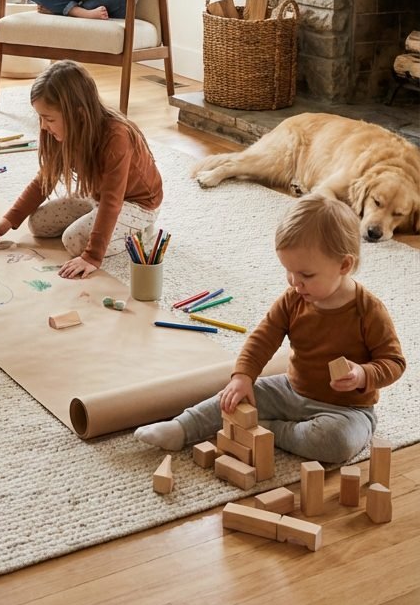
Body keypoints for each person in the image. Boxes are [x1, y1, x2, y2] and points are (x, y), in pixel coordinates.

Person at [135, 193, 406, 465]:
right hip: (291, 389)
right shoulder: (294, 298)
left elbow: (394, 362)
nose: (295, 283)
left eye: (306, 275)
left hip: (347, 410)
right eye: (289, 272)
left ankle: (268, 429)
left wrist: (362, 374)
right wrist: (242, 376)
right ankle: (182, 428)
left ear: (344, 265)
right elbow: (263, 337)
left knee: (336, 443)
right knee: (231, 396)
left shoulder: (368, 310)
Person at [0, 60, 162, 278]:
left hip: (137, 205)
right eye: (40, 117)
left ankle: (141, 232)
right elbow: (45, 180)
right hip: (96, 197)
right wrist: (9, 219)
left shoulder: (117, 136)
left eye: (48, 119)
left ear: (77, 114)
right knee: (37, 225)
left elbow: (112, 200)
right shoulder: (62, 132)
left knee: (73, 241)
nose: (42, 126)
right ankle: (96, 220)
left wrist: (92, 256)